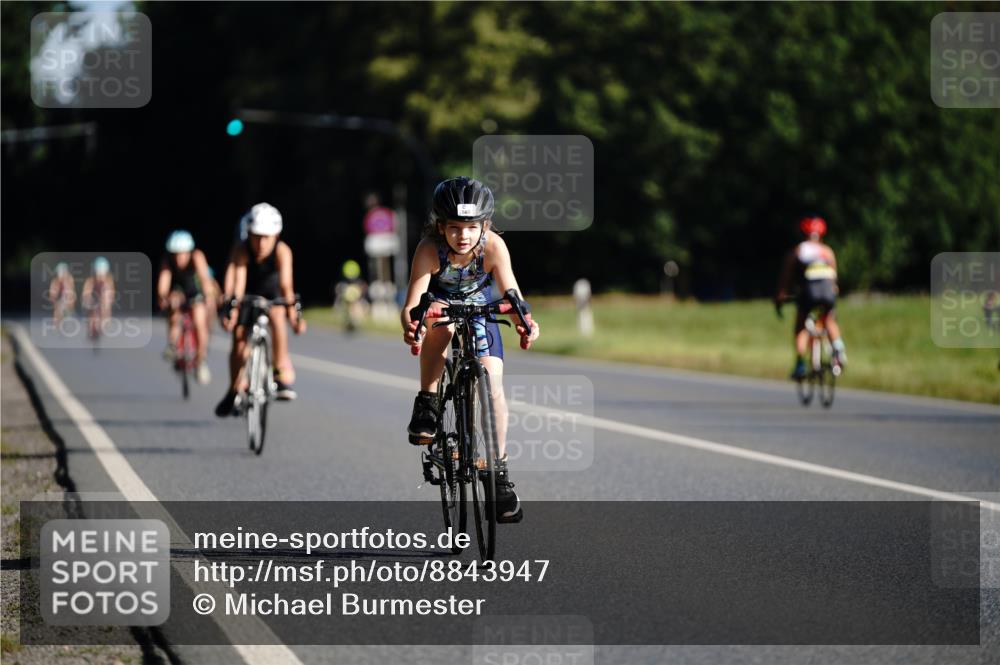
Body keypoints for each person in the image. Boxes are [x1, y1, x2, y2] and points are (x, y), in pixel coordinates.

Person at [400, 177, 540, 524]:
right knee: (442, 324)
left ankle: (498, 475)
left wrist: (525, 322)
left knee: (492, 386)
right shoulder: (429, 249)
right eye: (454, 227)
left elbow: (512, 295)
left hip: (481, 310)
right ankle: (428, 401)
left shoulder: (494, 247)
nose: (463, 235)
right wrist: (414, 327)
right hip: (440, 308)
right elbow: (413, 304)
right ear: (441, 227)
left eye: (471, 227)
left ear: (484, 226)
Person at [215, 202, 306, 416]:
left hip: (272, 294)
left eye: (267, 237)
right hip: (248, 294)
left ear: (276, 236)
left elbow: (286, 286)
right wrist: (231, 311)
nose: (261, 243)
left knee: (277, 315)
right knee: (239, 340)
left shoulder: (282, 251)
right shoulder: (241, 250)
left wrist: (294, 317)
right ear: (249, 234)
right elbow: (236, 284)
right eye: (256, 236)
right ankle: (233, 389)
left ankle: (279, 372)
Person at [776, 215, 846, 379]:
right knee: (829, 319)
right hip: (828, 290)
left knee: (801, 325)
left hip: (809, 291)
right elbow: (834, 279)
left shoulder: (798, 250)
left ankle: (800, 364)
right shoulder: (827, 251)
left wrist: (780, 296)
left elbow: (786, 277)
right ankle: (838, 350)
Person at [156, 230, 213, 384]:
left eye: (182, 254)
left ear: (189, 252)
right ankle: (172, 344)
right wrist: (164, 298)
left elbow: (205, 279)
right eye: (175, 254)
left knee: (199, 321)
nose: (178, 258)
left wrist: (208, 296)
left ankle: (201, 360)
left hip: (195, 292)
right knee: (174, 310)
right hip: (178, 292)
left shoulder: (197, 256)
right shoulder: (167, 260)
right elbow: (163, 284)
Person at [81, 257, 115, 341]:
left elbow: (110, 291)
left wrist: (108, 302)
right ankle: (90, 326)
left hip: (103, 299)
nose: (100, 275)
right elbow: (86, 290)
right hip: (93, 298)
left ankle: (103, 323)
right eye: (98, 273)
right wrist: (86, 298)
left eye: (102, 273)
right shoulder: (91, 280)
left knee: (105, 307)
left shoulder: (108, 280)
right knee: (90, 311)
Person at [48, 262, 76, 326]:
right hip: (59, 299)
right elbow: (52, 293)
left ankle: (68, 312)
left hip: (66, 299)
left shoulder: (69, 279)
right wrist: (53, 298)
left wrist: (70, 301)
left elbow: (71, 291)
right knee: (57, 310)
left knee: (70, 300)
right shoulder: (55, 281)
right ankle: (58, 321)